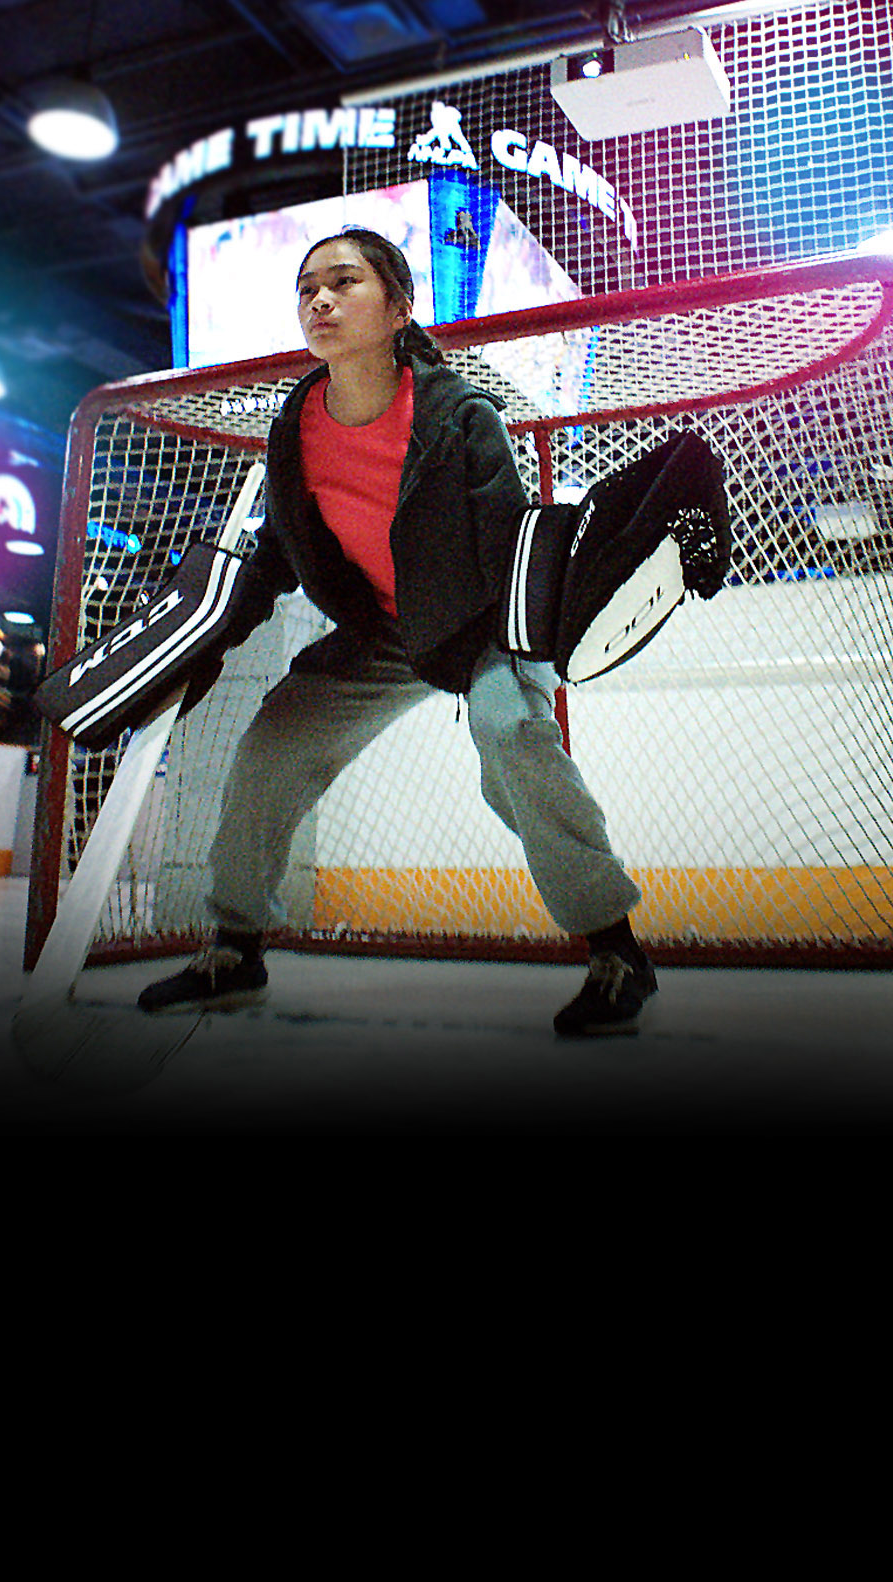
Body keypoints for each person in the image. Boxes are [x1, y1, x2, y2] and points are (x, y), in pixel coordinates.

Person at [137, 226, 656, 1036]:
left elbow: (508, 540)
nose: (320, 299)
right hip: (381, 631)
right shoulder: (296, 422)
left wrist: (537, 647)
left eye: (344, 282)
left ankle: (617, 951)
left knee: (514, 736)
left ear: (399, 308)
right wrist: (207, 632)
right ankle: (235, 950)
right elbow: (282, 546)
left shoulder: (459, 415)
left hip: (479, 626)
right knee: (272, 748)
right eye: (308, 287)